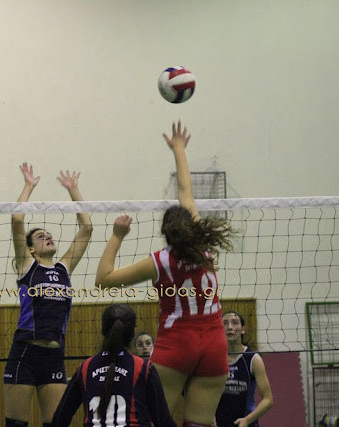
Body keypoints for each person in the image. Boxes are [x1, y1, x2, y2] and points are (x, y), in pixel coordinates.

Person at [96, 120, 237, 427]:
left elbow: (103, 280)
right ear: (190, 225)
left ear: (166, 233)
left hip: (178, 344)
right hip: (215, 344)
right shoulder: (203, 245)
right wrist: (180, 149)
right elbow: (186, 192)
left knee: (152, 420)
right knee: (200, 423)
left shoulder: (160, 262)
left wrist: (118, 235)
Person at [4, 163, 93, 427]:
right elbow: (17, 220)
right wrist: (28, 186)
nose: (48, 238)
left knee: (57, 423)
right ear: (30, 249)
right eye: (41, 237)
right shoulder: (27, 266)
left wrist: (74, 190)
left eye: (50, 235)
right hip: (25, 352)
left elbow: (87, 228)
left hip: (54, 355)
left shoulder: (64, 268)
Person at [52, 304, 176, 427]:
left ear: (102, 330)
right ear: (133, 332)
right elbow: (163, 421)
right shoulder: (143, 368)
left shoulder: (85, 368)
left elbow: (59, 419)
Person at [213, 312, 273, 427]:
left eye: (235, 323)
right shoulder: (213, 359)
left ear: (243, 330)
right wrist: (209, 415)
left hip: (247, 423)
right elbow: (205, 393)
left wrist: (247, 420)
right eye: (225, 323)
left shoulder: (253, 359)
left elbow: (268, 399)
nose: (230, 327)